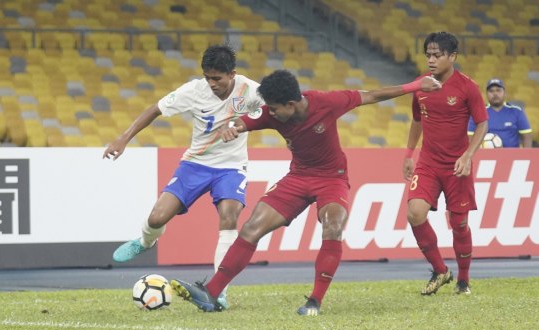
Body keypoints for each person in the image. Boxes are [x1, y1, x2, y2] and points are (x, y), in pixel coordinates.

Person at [171, 69, 441, 316]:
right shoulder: (272, 112)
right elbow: (244, 122)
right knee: (252, 227)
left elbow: (373, 95)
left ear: (291, 104)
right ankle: (211, 293)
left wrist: (417, 85)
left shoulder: (327, 102)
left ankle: (314, 301)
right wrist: (233, 129)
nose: (271, 113)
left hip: (332, 179)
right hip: (298, 178)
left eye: (275, 109)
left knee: (333, 226)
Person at [102, 44, 263, 308]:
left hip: (231, 167)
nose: (211, 83)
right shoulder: (194, 91)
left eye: (217, 78)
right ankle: (145, 241)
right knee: (157, 217)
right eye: (207, 77)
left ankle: (218, 292)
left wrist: (244, 123)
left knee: (230, 216)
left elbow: (275, 109)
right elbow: (154, 110)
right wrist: (123, 138)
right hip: (195, 164)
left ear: (232, 74)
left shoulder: (250, 90)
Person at [403, 31, 488, 297]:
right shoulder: (420, 85)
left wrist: (468, 155)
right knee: (414, 213)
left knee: (459, 224)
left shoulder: (467, 87)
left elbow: (483, 124)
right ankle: (440, 270)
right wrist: (408, 153)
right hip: (428, 163)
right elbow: (417, 120)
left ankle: (463, 280)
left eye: (437, 55)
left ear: (452, 57)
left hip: (456, 166)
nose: (431, 60)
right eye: (428, 54)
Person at [467, 78, 532, 148]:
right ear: (486, 94)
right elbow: (470, 136)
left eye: (498, 90)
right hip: (486, 156)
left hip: (512, 156)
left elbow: (527, 136)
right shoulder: (478, 112)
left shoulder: (517, 111)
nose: (495, 94)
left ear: (505, 93)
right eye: (491, 91)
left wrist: (527, 155)